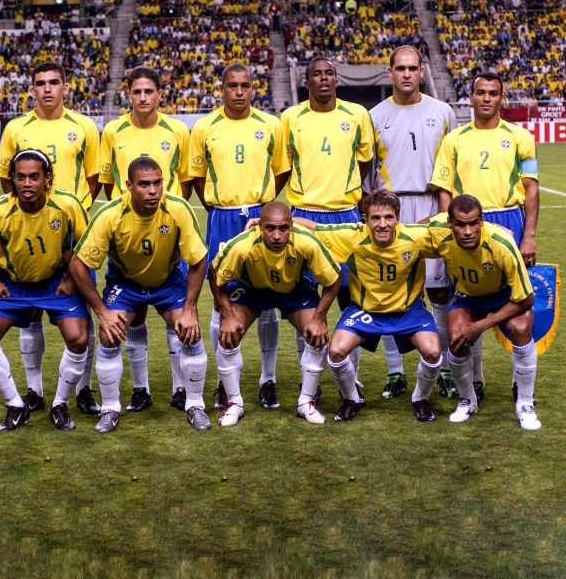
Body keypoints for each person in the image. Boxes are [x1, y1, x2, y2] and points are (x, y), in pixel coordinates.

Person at [70, 157, 210, 433]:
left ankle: (195, 404)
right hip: (126, 283)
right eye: (144, 184)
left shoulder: (177, 208)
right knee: (110, 334)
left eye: (157, 183)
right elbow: (78, 263)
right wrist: (102, 311)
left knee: (189, 331)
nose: (153, 190)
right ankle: (110, 408)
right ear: (129, 185)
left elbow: (198, 259)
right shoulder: (111, 214)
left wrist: (191, 307)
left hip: (167, 281)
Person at [0, 61, 101, 417]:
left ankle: (83, 390)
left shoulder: (84, 125)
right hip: (32, 229)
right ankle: (35, 389)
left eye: (55, 82)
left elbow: (95, 177)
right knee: (31, 312)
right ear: (33, 89)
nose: (48, 89)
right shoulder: (16, 128)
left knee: (82, 312)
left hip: (73, 232)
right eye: (41, 83)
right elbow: (7, 179)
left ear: (65, 87)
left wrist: (77, 214)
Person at [431, 71, 539, 401]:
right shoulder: (455, 139)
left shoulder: (520, 136)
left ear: (501, 98)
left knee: (517, 307)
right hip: (467, 223)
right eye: (481, 92)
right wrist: (451, 228)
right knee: (469, 296)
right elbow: (445, 192)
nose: (487, 98)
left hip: (509, 219)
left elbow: (531, 188)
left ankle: (520, 383)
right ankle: (475, 379)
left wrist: (529, 236)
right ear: (472, 97)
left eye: (493, 92)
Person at [189, 63, 290, 411]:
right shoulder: (204, 127)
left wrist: (259, 207)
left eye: (244, 86)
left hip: (260, 216)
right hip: (222, 218)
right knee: (222, 298)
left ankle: (268, 379)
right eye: (232, 86)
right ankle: (223, 381)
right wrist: (220, 208)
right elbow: (198, 177)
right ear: (222, 88)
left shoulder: (271, 125)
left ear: (253, 88)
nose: (238, 92)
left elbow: (282, 171)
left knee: (266, 299)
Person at [295, 190, 442, 423]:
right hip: (365, 311)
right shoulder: (352, 237)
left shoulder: (417, 236)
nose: (382, 224)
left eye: (388, 218)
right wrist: (264, 221)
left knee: (433, 352)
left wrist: (493, 229)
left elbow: (453, 222)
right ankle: (351, 399)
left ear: (398, 218)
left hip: (408, 311)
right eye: (375, 218)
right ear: (365, 219)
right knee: (336, 352)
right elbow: (312, 227)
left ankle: (420, 398)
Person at [0, 150, 90, 432]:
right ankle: (16, 404)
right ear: (11, 179)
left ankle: (60, 404)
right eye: (20, 177)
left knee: (78, 338)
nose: (27, 183)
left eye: (34, 177)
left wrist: (72, 276)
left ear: (47, 179)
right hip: (13, 282)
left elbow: (85, 242)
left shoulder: (67, 205)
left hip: (55, 280)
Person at [99, 65, 193, 415]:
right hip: (127, 235)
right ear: (128, 94)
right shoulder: (112, 131)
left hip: (169, 233)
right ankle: (141, 390)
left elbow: (186, 180)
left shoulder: (178, 130)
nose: (142, 98)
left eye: (148, 92)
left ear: (158, 94)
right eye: (136, 92)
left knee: (176, 316)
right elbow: (107, 182)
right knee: (134, 316)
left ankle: (180, 388)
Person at [366, 45, 458, 401]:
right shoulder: (374, 115)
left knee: (438, 292)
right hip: (389, 208)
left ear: (422, 71)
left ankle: (445, 366)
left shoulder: (444, 112)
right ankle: (395, 372)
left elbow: (454, 165)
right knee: (390, 292)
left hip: (433, 203)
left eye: (413, 67)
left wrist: (444, 212)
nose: (406, 74)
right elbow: (369, 172)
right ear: (389, 72)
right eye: (400, 68)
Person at [280, 57, 374, 399]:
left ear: (337, 80)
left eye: (329, 74)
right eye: (317, 75)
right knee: (302, 301)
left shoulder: (357, 115)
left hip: (346, 216)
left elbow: (365, 161)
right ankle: (311, 381)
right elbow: (283, 164)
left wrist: (346, 194)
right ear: (307, 82)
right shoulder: (290, 118)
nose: (324, 79)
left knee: (351, 299)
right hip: (303, 214)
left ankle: (353, 376)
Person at [209, 202, 342, 426]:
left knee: (317, 336)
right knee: (228, 335)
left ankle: (306, 402)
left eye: (283, 228)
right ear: (260, 226)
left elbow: (334, 278)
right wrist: (228, 314)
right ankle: (234, 403)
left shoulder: (306, 242)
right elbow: (215, 273)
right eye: (270, 228)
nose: (277, 235)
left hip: (294, 290)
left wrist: (319, 317)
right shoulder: (243, 245)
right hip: (251, 290)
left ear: (292, 226)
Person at [427, 195, 540, 430]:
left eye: (473, 223)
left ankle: (526, 403)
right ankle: (468, 400)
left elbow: (526, 299)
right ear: (449, 223)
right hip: (467, 296)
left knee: (519, 328)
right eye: (460, 224)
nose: (467, 231)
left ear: (482, 221)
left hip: (505, 295)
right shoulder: (438, 229)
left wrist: (481, 326)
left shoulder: (501, 243)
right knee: (457, 339)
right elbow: (407, 231)